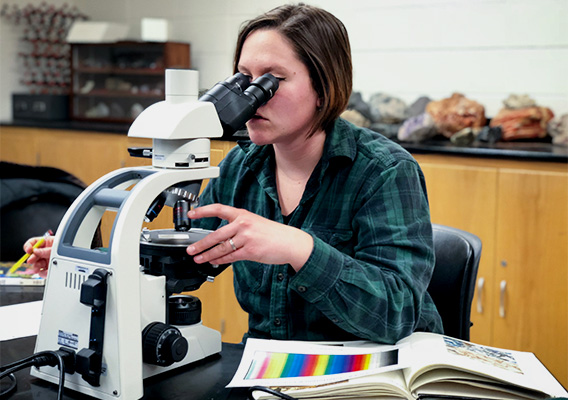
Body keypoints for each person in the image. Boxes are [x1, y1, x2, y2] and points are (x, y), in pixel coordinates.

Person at [24, 3, 443, 343]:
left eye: (271, 81)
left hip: (374, 371)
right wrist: (83, 259)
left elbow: (398, 312)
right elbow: (192, 258)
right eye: (243, 79)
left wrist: (300, 249)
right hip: (270, 370)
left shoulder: (384, 171)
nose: (250, 97)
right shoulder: (242, 165)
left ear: (323, 87)